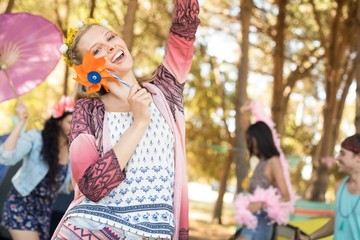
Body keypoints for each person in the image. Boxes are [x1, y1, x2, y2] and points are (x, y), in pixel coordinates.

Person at [52, 1, 200, 239]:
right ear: (88, 71)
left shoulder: (166, 91)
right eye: (97, 50)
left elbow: (185, 26)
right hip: (95, 230)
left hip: (155, 232)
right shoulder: (87, 112)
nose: (110, 48)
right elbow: (92, 187)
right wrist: (139, 122)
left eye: (110, 38)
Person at [0, 97, 74, 240]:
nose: (75, 126)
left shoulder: (74, 150)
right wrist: (21, 121)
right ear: (59, 121)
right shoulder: (36, 138)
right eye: (71, 122)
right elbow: (6, 157)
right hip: (20, 205)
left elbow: (62, 188)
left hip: (44, 212)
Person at [234, 101, 293, 240]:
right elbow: (246, 130)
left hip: (262, 220)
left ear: (260, 138)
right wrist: (243, 112)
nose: (249, 143)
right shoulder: (262, 160)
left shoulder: (274, 161)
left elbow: (286, 196)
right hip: (252, 221)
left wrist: (261, 204)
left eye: (251, 139)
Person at [299, 134, 360, 240]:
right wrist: (310, 237)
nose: (337, 158)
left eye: (342, 153)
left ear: (358, 158)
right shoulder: (340, 186)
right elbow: (339, 220)